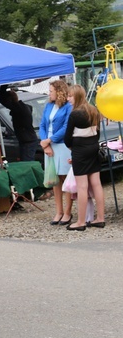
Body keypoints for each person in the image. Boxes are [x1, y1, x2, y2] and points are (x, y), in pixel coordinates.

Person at [64, 84, 105, 231]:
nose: (68, 99)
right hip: (93, 148)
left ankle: (81, 222)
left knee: (82, 187)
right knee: (96, 183)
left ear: (77, 96)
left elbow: (67, 138)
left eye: (70, 96)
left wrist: (73, 148)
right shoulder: (94, 110)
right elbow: (98, 133)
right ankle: (100, 218)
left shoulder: (75, 114)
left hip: (80, 151)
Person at [39, 80, 73, 225]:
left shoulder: (68, 107)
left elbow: (66, 127)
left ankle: (68, 212)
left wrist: (50, 140)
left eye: (51, 90)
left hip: (62, 145)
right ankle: (58, 211)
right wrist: (44, 143)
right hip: (49, 146)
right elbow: (42, 125)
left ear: (59, 91)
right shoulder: (48, 106)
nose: (49, 93)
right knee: (55, 180)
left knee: (66, 180)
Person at [0, 85, 40, 161]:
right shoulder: (24, 107)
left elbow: (2, 101)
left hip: (28, 141)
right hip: (26, 139)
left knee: (27, 163)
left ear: (9, 101)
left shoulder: (18, 108)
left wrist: (3, 86)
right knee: (25, 161)